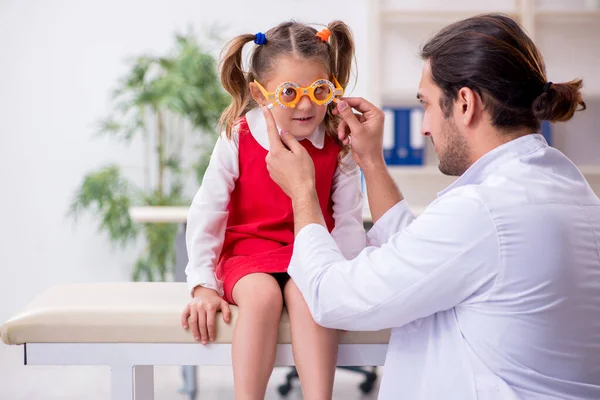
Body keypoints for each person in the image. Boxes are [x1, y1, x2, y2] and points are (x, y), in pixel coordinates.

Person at [264, 13, 600, 400]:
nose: (423, 128)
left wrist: (302, 192)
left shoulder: (484, 211)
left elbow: (332, 297)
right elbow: (420, 256)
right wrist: (371, 161)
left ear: (465, 103)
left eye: (426, 104)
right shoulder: (565, 187)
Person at [180, 20, 366, 399]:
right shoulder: (239, 135)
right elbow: (208, 210)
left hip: (312, 253)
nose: (305, 105)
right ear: (260, 94)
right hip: (249, 252)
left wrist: (344, 280)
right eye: (289, 92)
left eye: (318, 91)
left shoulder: (337, 142)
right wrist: (203, 284)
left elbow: (348, 218)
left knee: (309, 295)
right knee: (262, 296)